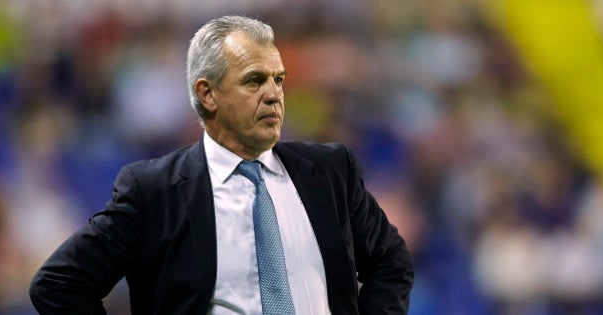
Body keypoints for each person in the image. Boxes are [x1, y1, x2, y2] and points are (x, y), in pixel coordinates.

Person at [29, 15, 414, 314]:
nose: (274, 95)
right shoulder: (155, 191)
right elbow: (59, 284)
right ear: (207, 93)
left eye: (279, 80)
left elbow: (390, 262)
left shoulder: (331, 171)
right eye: (254, 81)